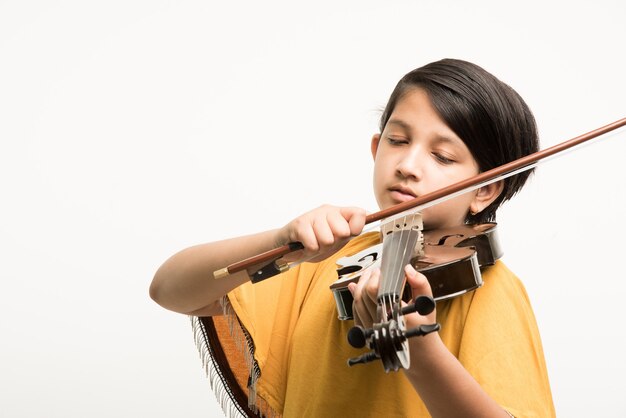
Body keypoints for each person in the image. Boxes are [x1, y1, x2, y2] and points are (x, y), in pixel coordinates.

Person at [150, 58, 555, 417]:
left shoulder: (490, 289)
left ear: (485, 189)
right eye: (398, 141)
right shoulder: (331, 262)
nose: (408, 165)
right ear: (376, 148)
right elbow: (170, 289)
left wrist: (422, 351)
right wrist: (281, 241)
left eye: (443, 156)